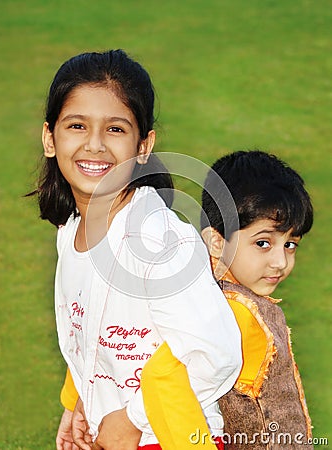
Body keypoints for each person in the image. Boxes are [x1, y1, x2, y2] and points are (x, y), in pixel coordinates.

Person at [32, 49, 242, 450]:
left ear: (144, 147)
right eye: (77, 125)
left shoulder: (157, 241)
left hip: (172, 438)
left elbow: (217, 353)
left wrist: (131, 419)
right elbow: (90, 332)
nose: (94, 145)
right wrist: (80, 403)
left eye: (115, 129)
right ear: (49, 138)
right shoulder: (70, 231)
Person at [141, 150, 314, 450]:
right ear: (216, 242)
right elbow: (162, 375)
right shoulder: (230, 312)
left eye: (290, 244)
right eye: (263, 243)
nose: (280, 262)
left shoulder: (222, 297)